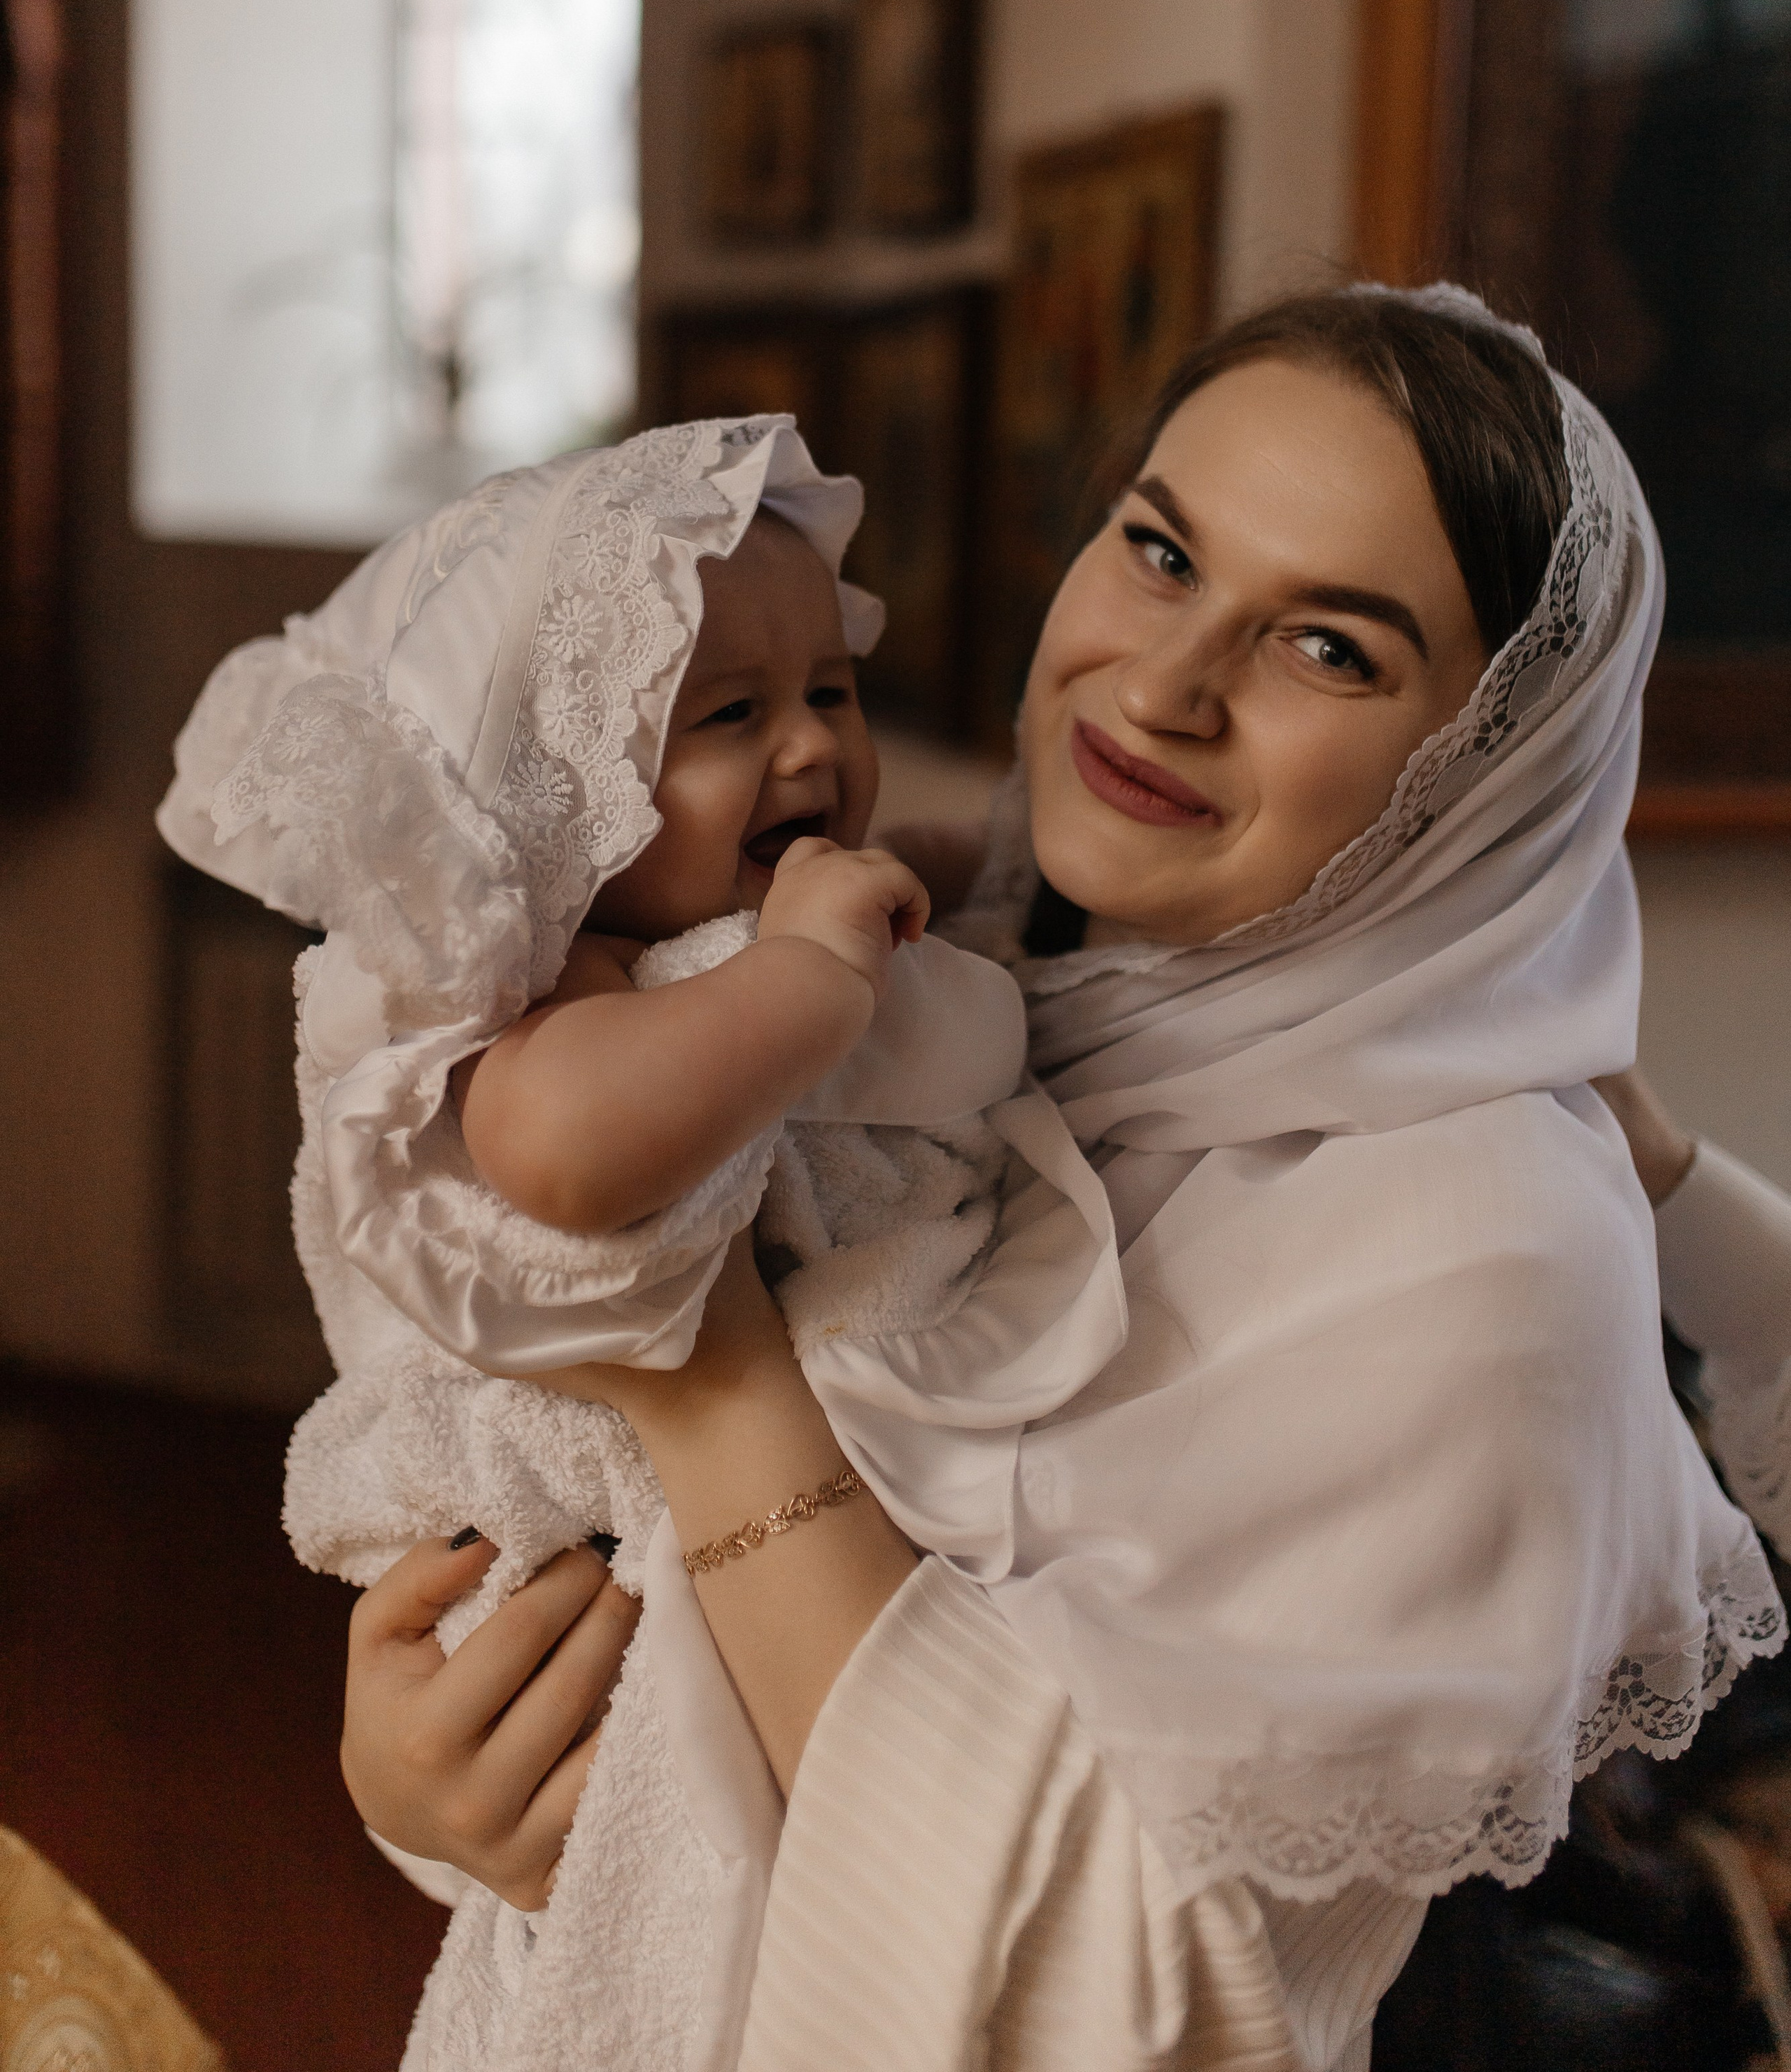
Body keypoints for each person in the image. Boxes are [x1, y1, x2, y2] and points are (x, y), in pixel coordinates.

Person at [342, 284, 1791, 2072]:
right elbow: (667, 1691)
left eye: (1328, 648)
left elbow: (1140, 2010)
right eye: (1161, 552)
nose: (1165, 686)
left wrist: (705, 1380)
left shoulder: (1482, 1255)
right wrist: (457, 1786)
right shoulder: (953, 974)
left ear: (1488, 773)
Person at [157, 418, 1266, 2072]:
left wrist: (937, 882)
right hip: (643, 1555)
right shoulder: (570, 989)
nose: (811, 746)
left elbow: (970, 887)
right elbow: (559, 1152)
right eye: (727, 715)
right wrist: (806, 979)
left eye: (831, 688)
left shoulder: (779, 917)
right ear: (556, 798)